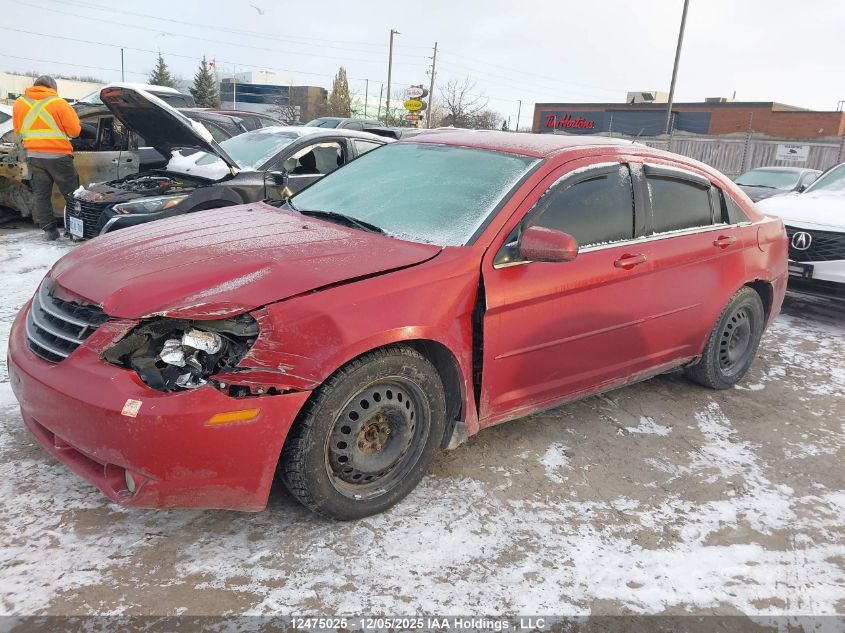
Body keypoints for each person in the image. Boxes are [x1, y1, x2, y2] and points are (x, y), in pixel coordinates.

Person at [12, 75, 81, 240]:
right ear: (52, 88)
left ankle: (49, 231)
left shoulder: (19, 103)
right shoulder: (59, 103)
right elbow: (75, 132)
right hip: (59, 156)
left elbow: (17, 131)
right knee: (72, 194)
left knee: (41, 195)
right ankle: (74, 230)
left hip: (34, 156)